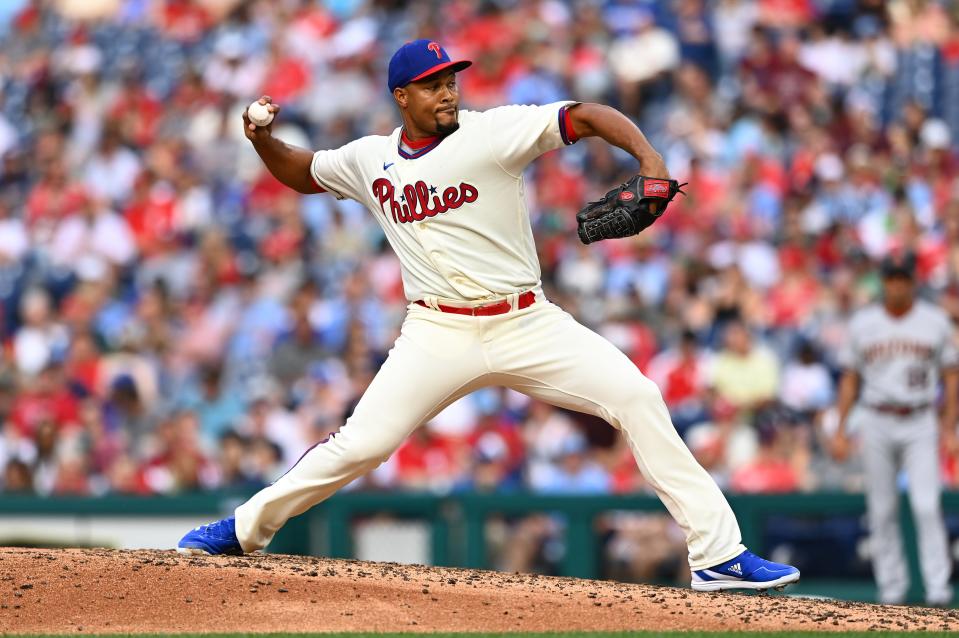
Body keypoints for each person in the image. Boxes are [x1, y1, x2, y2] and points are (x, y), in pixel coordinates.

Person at [177, 40, 799, 592]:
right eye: (432, 84)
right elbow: (305, 172)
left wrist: (650, 159)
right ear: (402, 96)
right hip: (436, 331)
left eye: (451, 80)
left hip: (526, 321)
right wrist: (260, 140)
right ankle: (242, 529)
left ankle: (718, 555)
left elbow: (583, 115)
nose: (447, 91)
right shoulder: (370, 160)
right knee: (359, 445)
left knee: (637, 396)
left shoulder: (491, 132)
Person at [830, 252, 959, 606]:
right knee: (882, 509)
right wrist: (840, 428)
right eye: (891, 278)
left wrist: (948, 426)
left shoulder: (934, 321)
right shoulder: (863, 323)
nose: (897, 285)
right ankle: (891, 591)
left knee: (926, 506)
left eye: (903, 278)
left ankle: (938, 591)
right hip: (876, 418)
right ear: (883, 281)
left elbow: (951, 376)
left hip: (920, 418)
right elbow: (850, 378)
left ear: (913, 281)